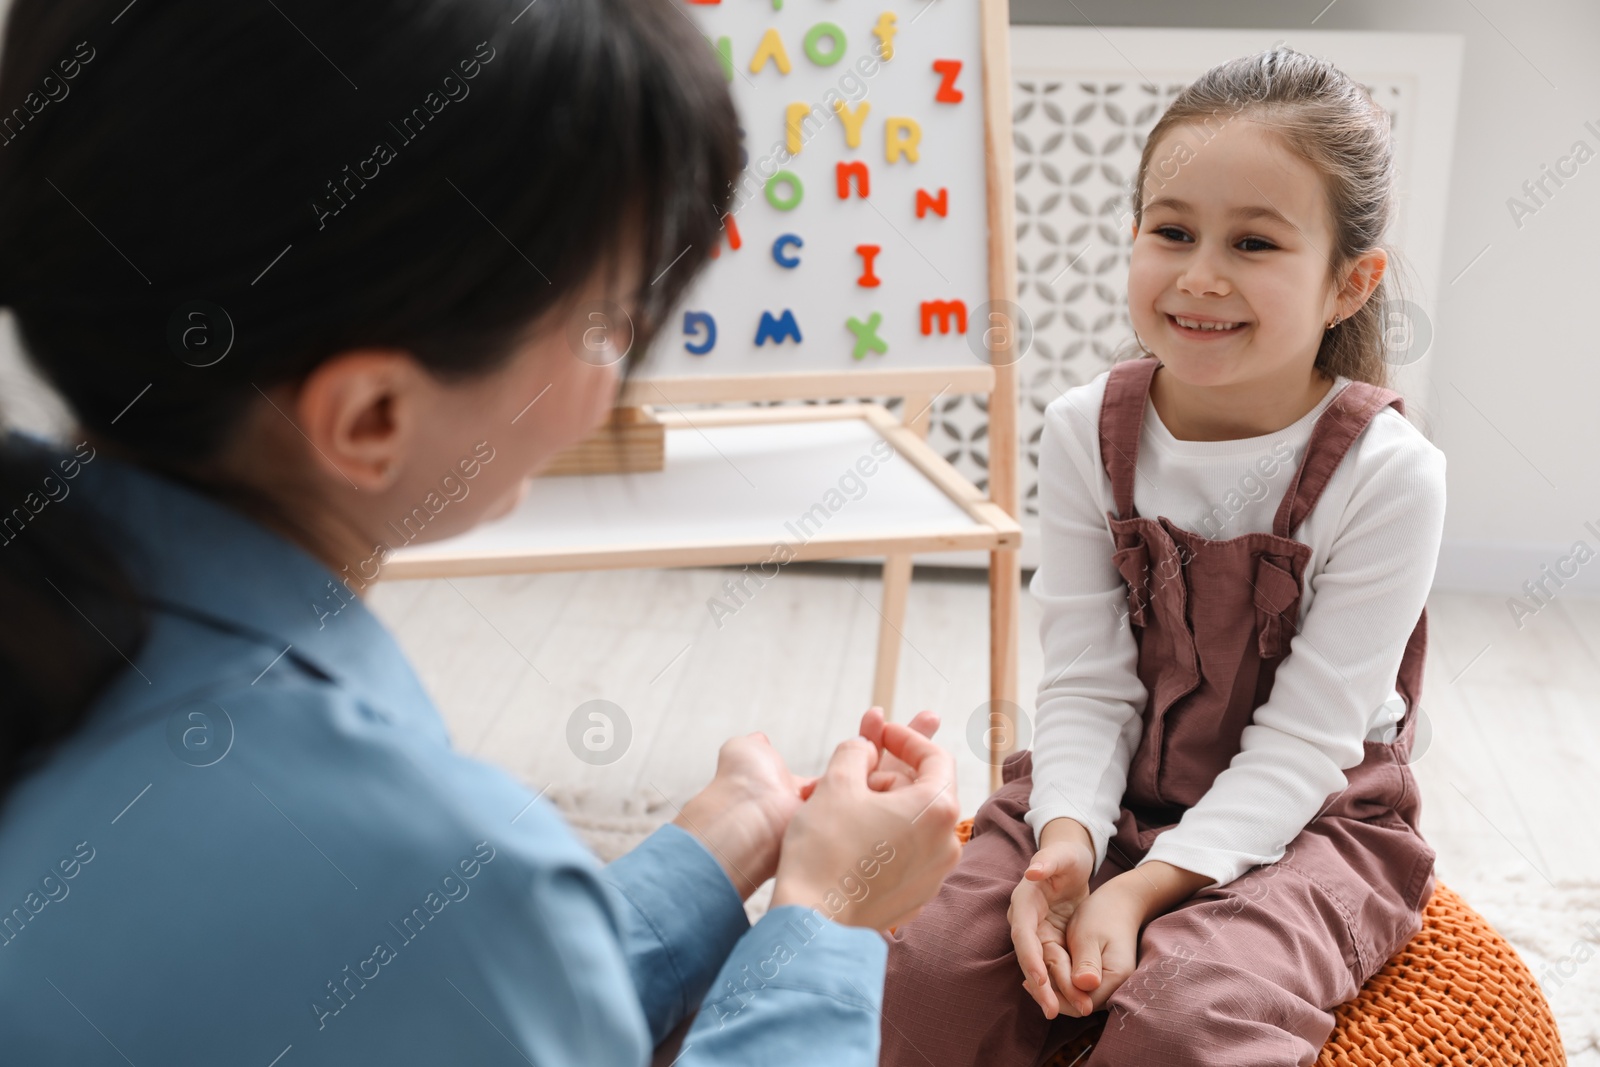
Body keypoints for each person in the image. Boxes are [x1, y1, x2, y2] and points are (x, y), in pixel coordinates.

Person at [0, 1, 961, 1063]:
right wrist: (825, 923)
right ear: (371, 416)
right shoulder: (422, 873)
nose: (622, 365)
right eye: (609, 320)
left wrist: (714, 848)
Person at [881, 47, 1447, 1067]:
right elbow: (1090, 683)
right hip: (1105, 787)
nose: (1199, 274)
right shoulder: (1080, 429)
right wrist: (1067, 845)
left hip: (1314, 814)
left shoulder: (1389, 472)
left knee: (1183, 1020)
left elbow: (1308, 739)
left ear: (1347, 284)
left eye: (1254, 243)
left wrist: (1147, 888)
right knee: (927, 981)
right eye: (1171, 230)